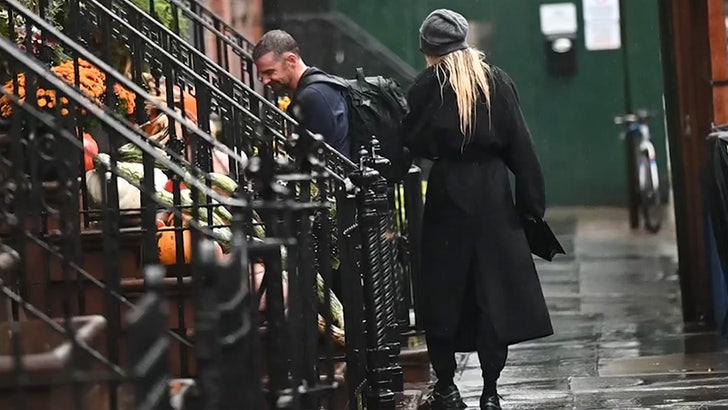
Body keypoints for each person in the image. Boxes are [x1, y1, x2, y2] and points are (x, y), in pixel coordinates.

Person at [402, 9, 553, 410]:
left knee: (443, 290)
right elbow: (522, 151)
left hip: (447, 193)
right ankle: (490, 391)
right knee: (494, 293)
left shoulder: (425, 87)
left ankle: (448, 387)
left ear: (428, 49)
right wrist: (530, 210)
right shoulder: (497, 82)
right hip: (493, 197)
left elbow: (411, 142)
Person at [252, 30, 350, 157]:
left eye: (270, 72)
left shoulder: (312, 96)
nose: (265, 81)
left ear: (291, 61)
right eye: (261, 76)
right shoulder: (317, 89)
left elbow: (318, 157)